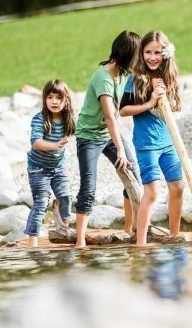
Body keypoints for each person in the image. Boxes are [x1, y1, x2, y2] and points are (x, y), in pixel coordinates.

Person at [75, 30, 142, 248]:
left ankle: (130, 229)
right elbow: (110, 116)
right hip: (89, 137)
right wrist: (120, 150)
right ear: (125, 55)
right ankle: (80, 242)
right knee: (89, 186)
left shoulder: (124, 73)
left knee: (132, 172)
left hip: (109, 134)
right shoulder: (103, 77)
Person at [120, 31, 184, 247]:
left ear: (165, 54)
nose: (153, 57)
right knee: (153, 192)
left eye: (157, 52)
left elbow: (176, 107)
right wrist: (149, 102)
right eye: (148, 52)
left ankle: (174, 235)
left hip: (167, 141)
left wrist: (167, 96)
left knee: (178, 187)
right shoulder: (135, 79)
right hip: (146, 144)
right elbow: (123, 110)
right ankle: (141, 243)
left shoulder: (168, 77)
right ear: (142, 53)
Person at [24, 79, 76, 248]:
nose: (54, 101)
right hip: (38, 168)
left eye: (59, 98)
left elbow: (80, 130)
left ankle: (63, 229)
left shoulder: (68, 120)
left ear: (66, 100)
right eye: (50, 97)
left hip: (58, 168)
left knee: (66, 197)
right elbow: (36, 142)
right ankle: (33, 242)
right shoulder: (39, 119)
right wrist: (54, 146)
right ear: (44, 99)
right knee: (41, 203)